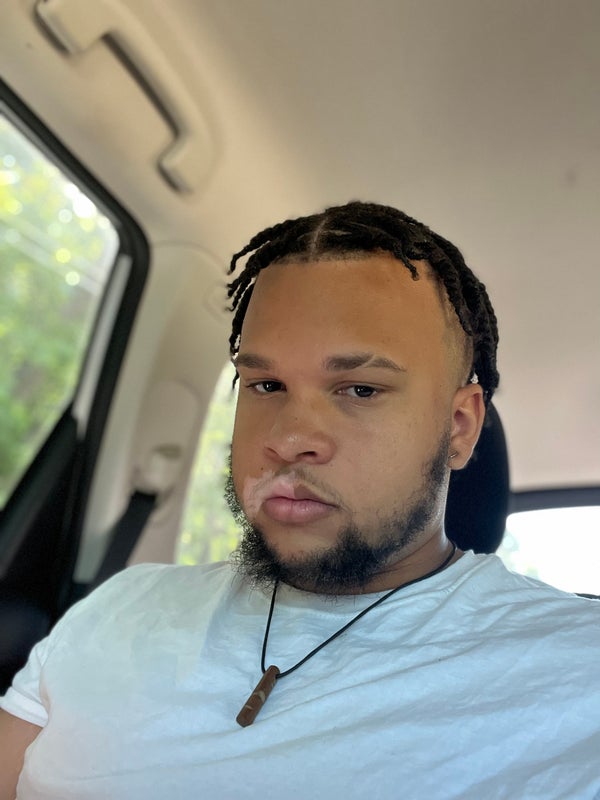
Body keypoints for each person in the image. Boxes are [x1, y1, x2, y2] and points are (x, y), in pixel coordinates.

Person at [0, 201, 598, 799]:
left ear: (460, 428)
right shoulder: (121, 607)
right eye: (266, 385)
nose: (287, 440)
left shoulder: (577, 674)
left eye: (360, 389)